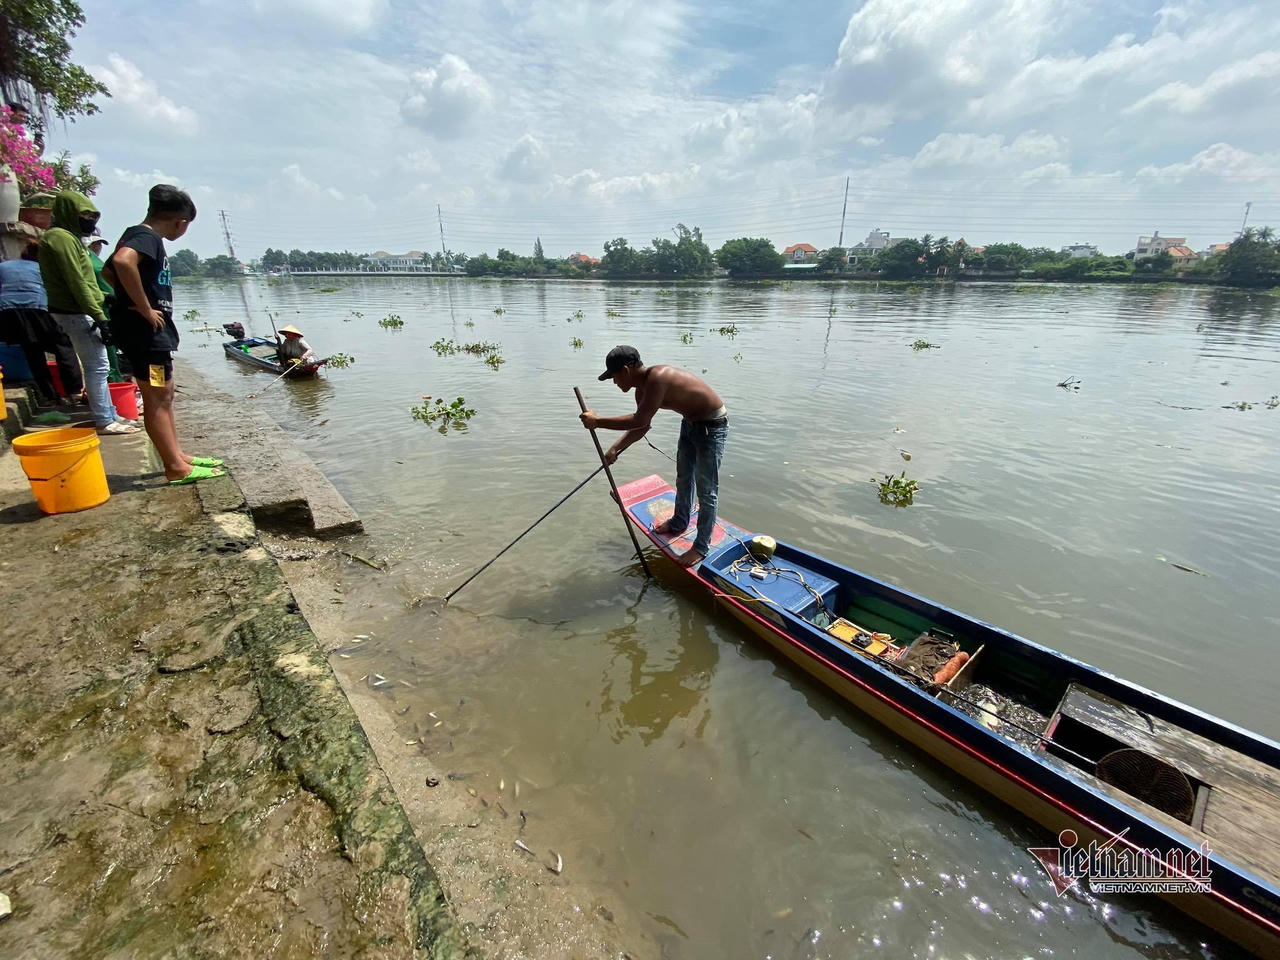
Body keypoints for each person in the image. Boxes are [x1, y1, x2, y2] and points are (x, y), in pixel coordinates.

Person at [104, 184, 224, 484]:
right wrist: (143, 307)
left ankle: (177, 456)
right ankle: (175, 468)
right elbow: (120, 263)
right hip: (146, 334)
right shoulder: (146, 237)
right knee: (157, 397)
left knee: (164, 395)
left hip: (146, 334)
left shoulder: (138, 234)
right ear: (180, 221)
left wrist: (128, 300)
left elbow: (107, 274)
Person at [580, 345, 728, 567]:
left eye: (614, 376)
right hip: (690, 424)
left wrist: (597, 422)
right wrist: (615, 449)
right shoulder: (643, 390)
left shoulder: (657, 378)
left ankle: (701, 547)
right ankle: (679, 522)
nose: (614, 382)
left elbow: (638, 420)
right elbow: (643, 425)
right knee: (683, 478)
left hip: (711, 426)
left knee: (707, 490)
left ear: (626, 371)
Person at [37, 190, 139, 434]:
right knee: (97, 366)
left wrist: (106, 297)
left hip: (80, 309)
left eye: (93, 216)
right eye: (85, 216)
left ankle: (110, 413)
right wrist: (100, 316)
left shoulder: (69, 238)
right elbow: (77, 282)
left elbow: (87, 281)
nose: (90, 222)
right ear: (68, 214)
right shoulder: (60, 238)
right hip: (74, 311)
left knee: (99, 365)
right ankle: (105, 420)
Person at [0, 241, 62, 404]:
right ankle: (71, 391)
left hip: (8, 312)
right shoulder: (42, 268)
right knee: (62, 347)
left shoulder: (5, 266)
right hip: (37, 310)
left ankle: (51, 395)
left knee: (33, 353)